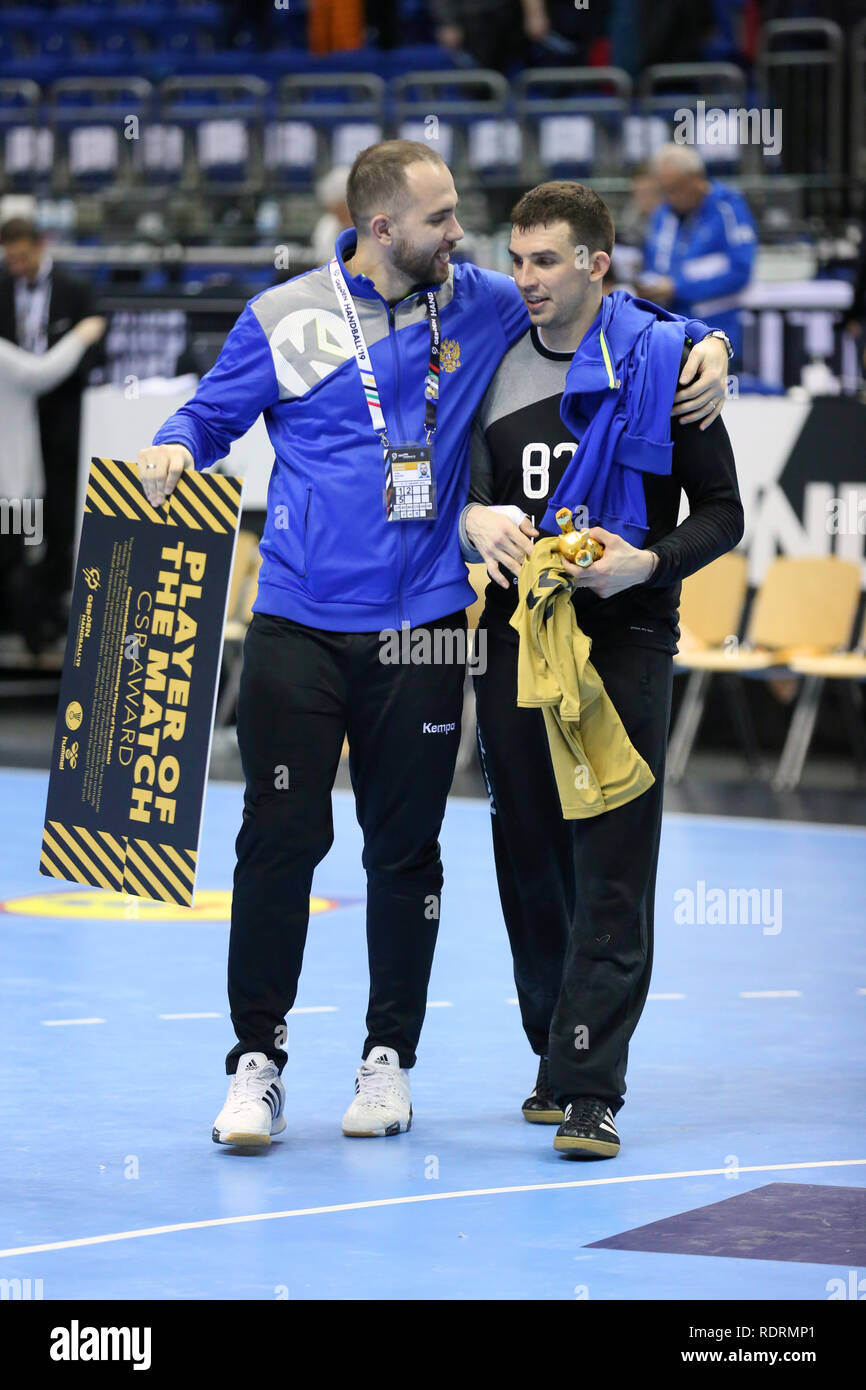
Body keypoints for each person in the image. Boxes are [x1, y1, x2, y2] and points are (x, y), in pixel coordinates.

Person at [136, 141, 731, 1150]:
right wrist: (171, 448)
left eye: (464, 220)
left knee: (405, 853)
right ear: (381, 229)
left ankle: (387, 1062)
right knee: (277, 844)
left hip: (417, 630)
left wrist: (705, 340)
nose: (465, 237)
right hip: (294, 620)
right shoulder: (283, 319)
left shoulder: (481, 299)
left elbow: (611, 302)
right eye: (442, 219)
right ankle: (256, 1062)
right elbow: (209, 413)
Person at [460, 180, 743, 1160]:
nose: (526, 278)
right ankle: (553, 1048)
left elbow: (722, 514)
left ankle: (589, 1086)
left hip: (623, 636)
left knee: (611, 855)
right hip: (511, 635)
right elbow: (453, 492)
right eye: (518, 258)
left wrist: (645, 563)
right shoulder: (487, 366)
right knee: (527, 849)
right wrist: (470, 514)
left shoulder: (667, 364)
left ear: (596, 264)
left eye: (546, 259)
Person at [0, 218, 106, 650]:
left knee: (48, 530)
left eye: (21, 257)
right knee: (18, 546)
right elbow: (40, 373)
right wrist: (81, 336)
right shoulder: (7, 356)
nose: (16, 267)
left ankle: (41, 623)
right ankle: (31, 628)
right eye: (10, 259)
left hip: (46, 444)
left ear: (40, 247)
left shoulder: (72, 290)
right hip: (13, 477)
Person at [638, 145, 756, 367]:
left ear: (697, 179)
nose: (670, 197)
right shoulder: (664, 214)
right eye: (664, 190)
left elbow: (740, 273)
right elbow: (652, 264)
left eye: (675, 188)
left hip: (717, 337)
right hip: (668, 338)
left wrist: (677, 288)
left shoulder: (728, 209)